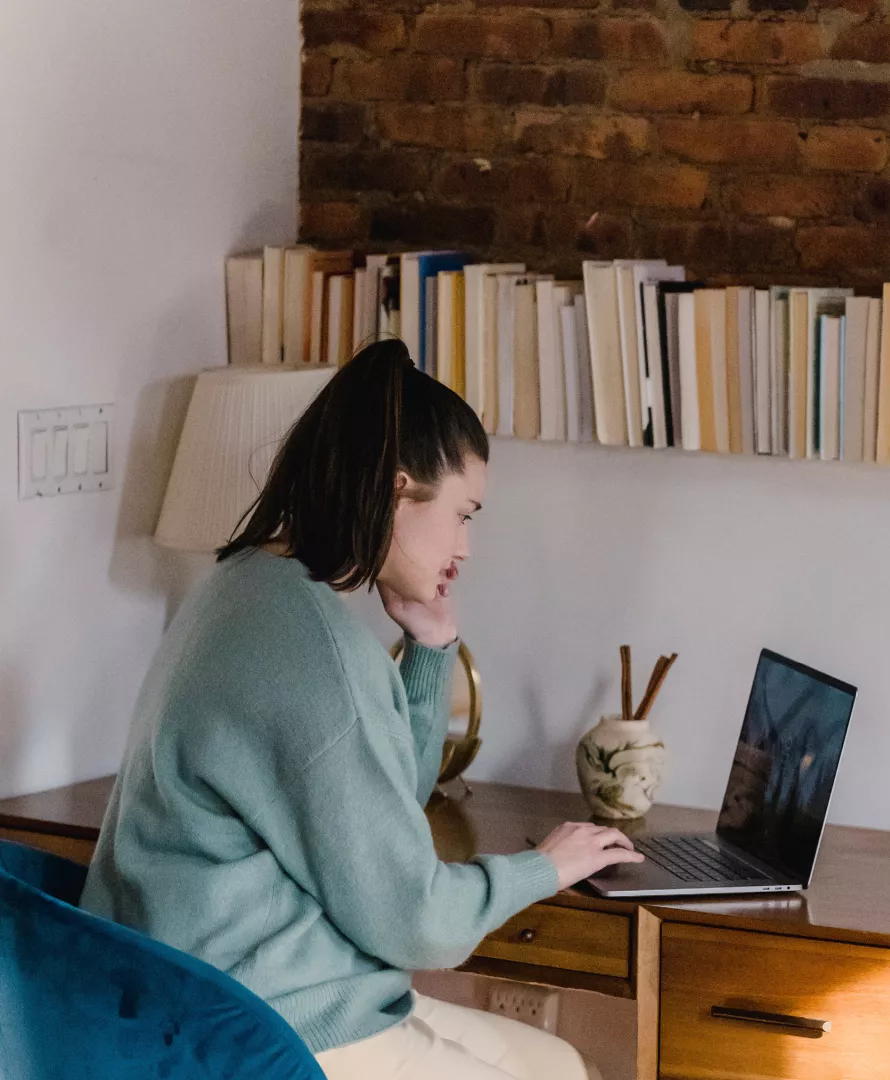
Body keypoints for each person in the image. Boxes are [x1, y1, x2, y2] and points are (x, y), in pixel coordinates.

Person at [80, 340, 644, 1080]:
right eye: (463, 513)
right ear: (398, 489)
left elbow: (379, 817)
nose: (467, 547)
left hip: (216, 996)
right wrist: (544, 867)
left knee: (561, 1062)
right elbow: (416, 921)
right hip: (262, 1029)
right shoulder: (310, 650)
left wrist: (431, 648)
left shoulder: (253, 585)